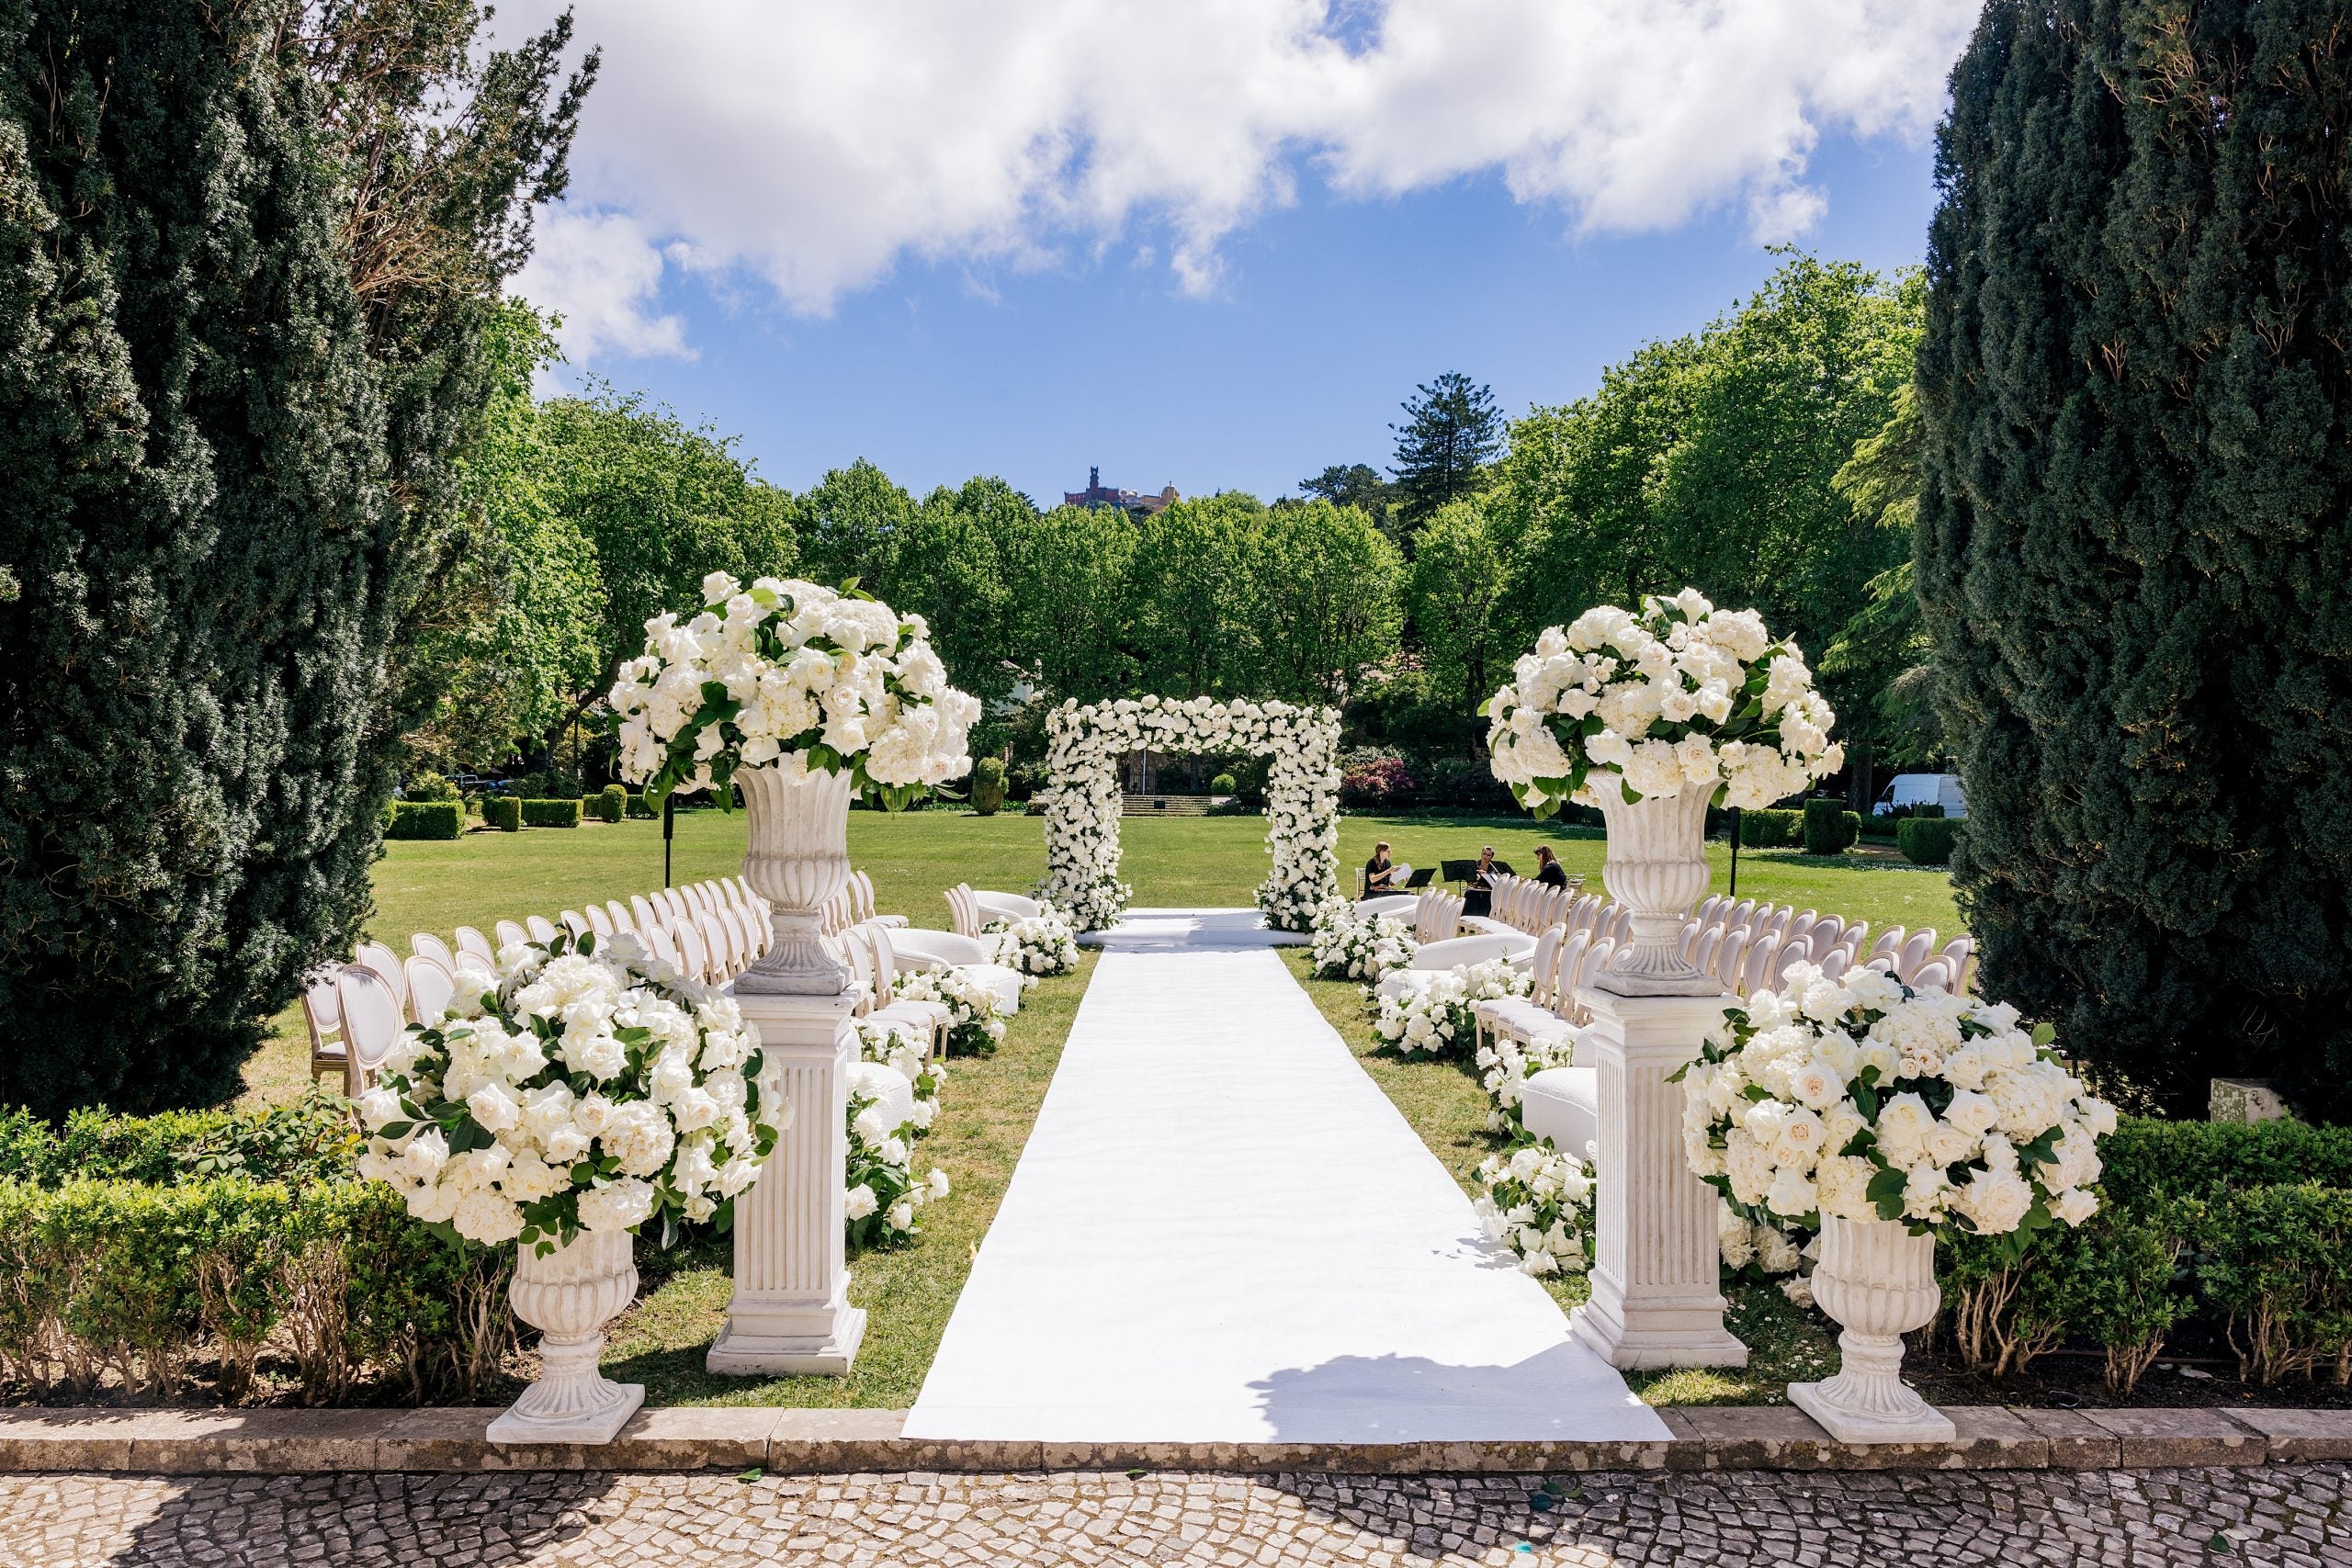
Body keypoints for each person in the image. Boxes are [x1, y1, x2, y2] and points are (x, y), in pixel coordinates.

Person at [1464, 845, 1498, 918]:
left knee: (1483, 897)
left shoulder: (1493, 867)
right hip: (1475, 889)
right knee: (1470, 894)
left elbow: (1493, 883)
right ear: (1481, 853)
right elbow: (1469, 880)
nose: (1485, 856)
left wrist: (1485, 875)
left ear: (1491, 857)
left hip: (1487, 891)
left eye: (1488, 855)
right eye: (1484, 854)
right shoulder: (1475, 864)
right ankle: (1467, 918)